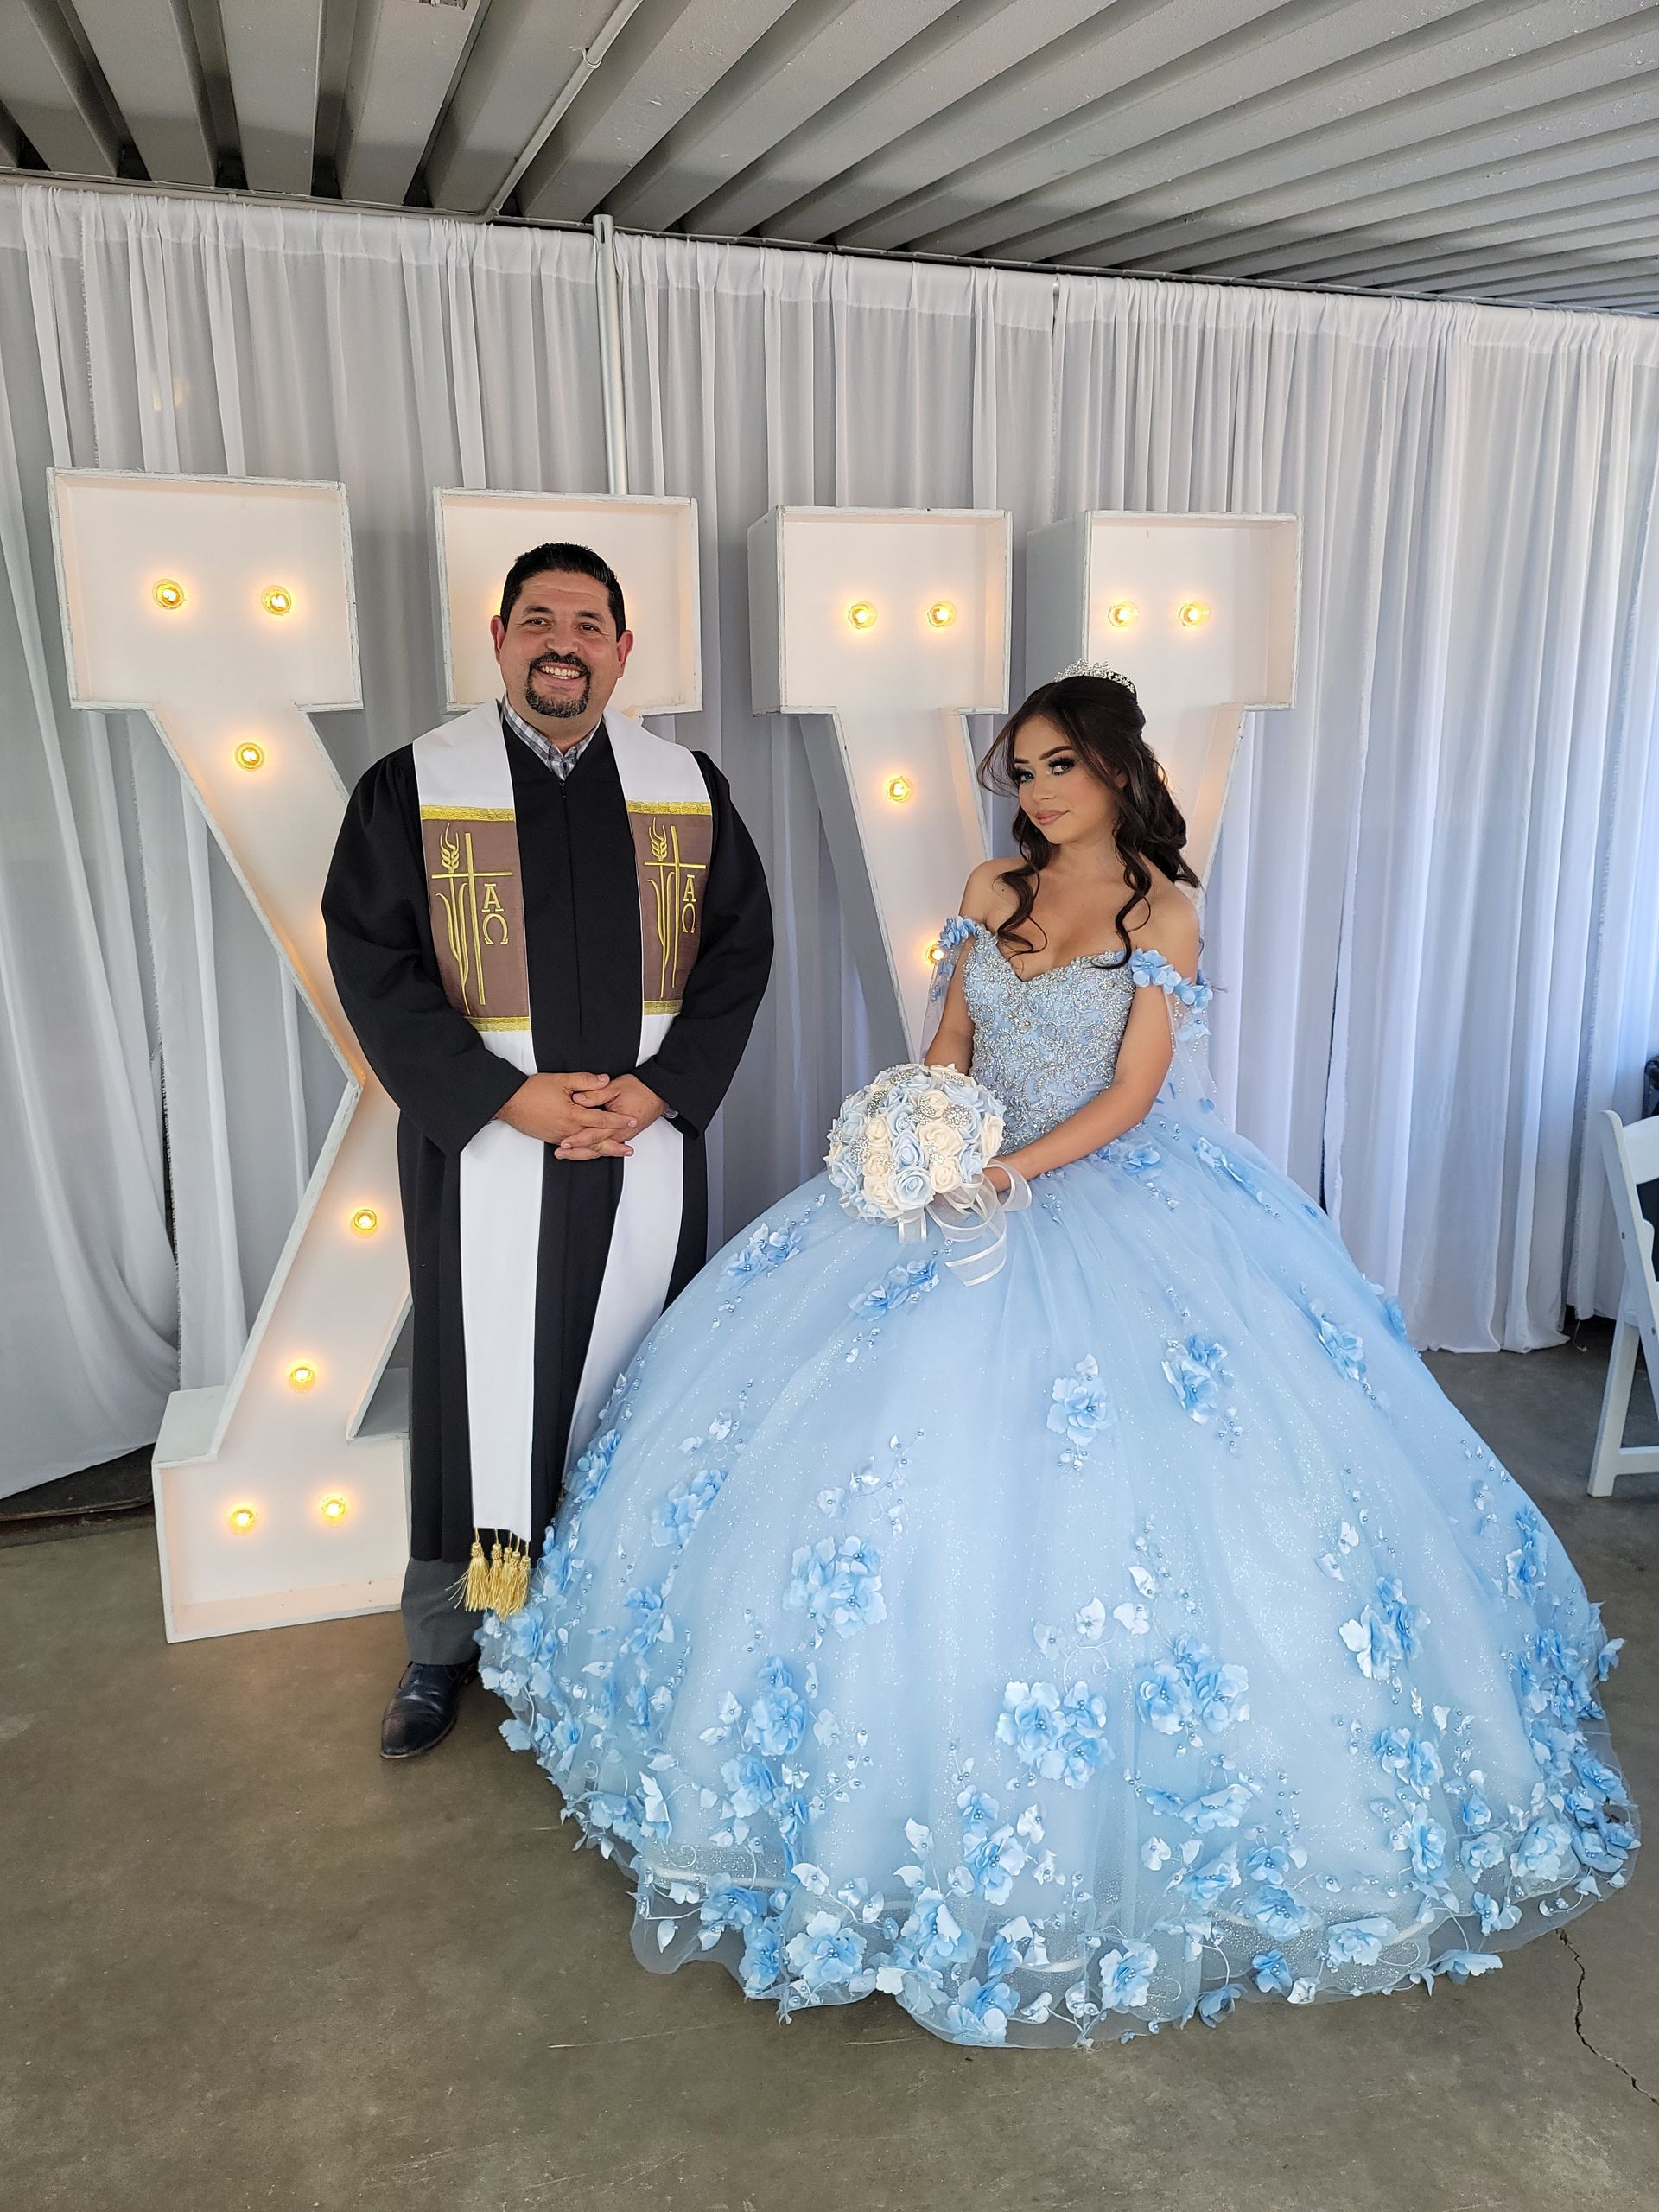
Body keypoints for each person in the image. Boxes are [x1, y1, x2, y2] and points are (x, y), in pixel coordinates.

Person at [479, 666, 1637, 2045]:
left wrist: (1009, 1177)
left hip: (1115, 1191)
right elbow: (952, 1038)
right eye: (1019, 771)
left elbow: (1139, 1093)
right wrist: (930, 1131)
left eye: (1057, 768)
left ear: (1117, 769)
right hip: (968, 1173)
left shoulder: (1166, 912)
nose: (1034, 794)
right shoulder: (988, 889)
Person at [324, 543, 772, 1759]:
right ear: (500, 638)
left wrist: (664, 1092)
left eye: (587, 620)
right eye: (538, 619)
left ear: (624, 649)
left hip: (641, 1142)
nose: (561, 640)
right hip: (488, 1150)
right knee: (479, 1385)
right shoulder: (413, 789)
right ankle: (444, 1644)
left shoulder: (687, 787)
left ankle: (617, 1618)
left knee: (642, 1378)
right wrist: (503, 1100)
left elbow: (736, 951)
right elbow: (375, 964)